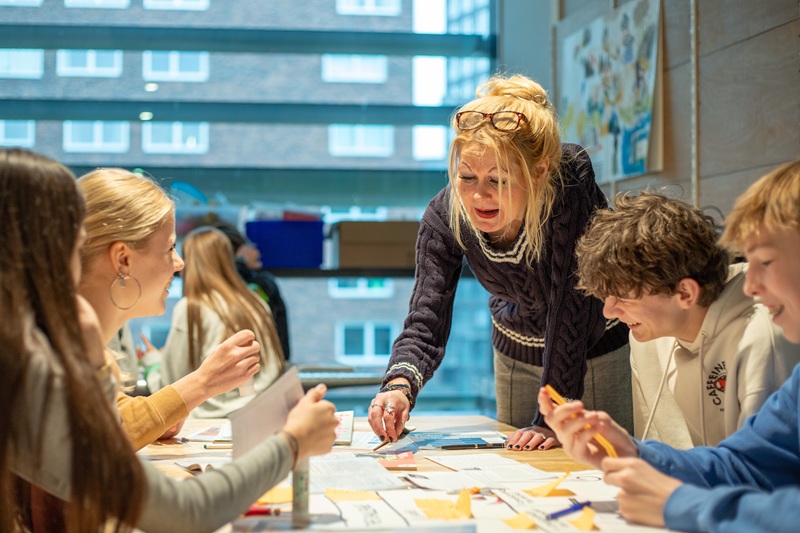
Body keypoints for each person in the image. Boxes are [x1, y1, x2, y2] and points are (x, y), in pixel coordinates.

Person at [0, 147, 338, 532]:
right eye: (76, 243)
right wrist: (293, 442)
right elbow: (184, 512)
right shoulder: (46, 366)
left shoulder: (36, 350)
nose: (178, 264)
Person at [367, 73, 631, 450]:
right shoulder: (445, 216)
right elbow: (426, 316)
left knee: (603, 472)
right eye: (467, 177)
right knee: (521, 470)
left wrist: (552, 417)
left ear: (539, 171)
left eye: (499, 180)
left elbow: (571, 305)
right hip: (515, 348)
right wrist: (399, 386)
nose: (479, 196)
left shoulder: (568, 186)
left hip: (593, 348)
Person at [539, 159, 800, 532]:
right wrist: (633, 451)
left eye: (767, 261)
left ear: (685, 293)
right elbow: (746, 465)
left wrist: (681, 504)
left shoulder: (763, 334)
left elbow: (774, 493)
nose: (752, 284)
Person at [574, 192, 800, 448]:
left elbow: (760, 469)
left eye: (623, 297)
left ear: (685, 293)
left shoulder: (762, 335)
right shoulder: (645, 335)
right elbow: (652, 449)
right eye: (606, 296)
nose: (608, 312)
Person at [76, 168, 262, 450]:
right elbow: (105, 444)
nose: (179, 263)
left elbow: (117, 421)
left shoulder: (74, 343)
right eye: (170, 248)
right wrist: (204, 381)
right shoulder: (63, 356)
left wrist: (162, 413)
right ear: (123, 259)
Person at [147, 226, 285, 418]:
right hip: (260, 415)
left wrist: (152, 363)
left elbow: (171, 388)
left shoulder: (191, 308)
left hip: (208, 423)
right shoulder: (256, 302)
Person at [213, 221, 291, 361]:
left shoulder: (263, 283)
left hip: (266, 366)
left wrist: (241, 263)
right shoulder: (218, 290)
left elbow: (247, 293)